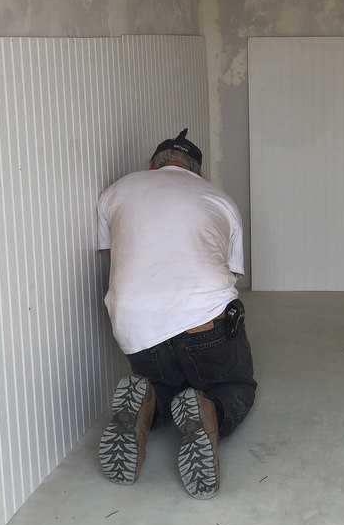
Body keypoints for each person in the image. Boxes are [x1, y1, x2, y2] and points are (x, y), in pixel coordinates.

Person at [96, 128, 256, 499]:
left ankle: (146, 404)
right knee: (235, 387)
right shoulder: (218, 199)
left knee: (165, 387)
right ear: (196, 172)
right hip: (204, 327)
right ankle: (209, 410)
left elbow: (111, 254)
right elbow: (229, 272)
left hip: (136, 327)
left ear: (153, 165)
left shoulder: (116, 191)